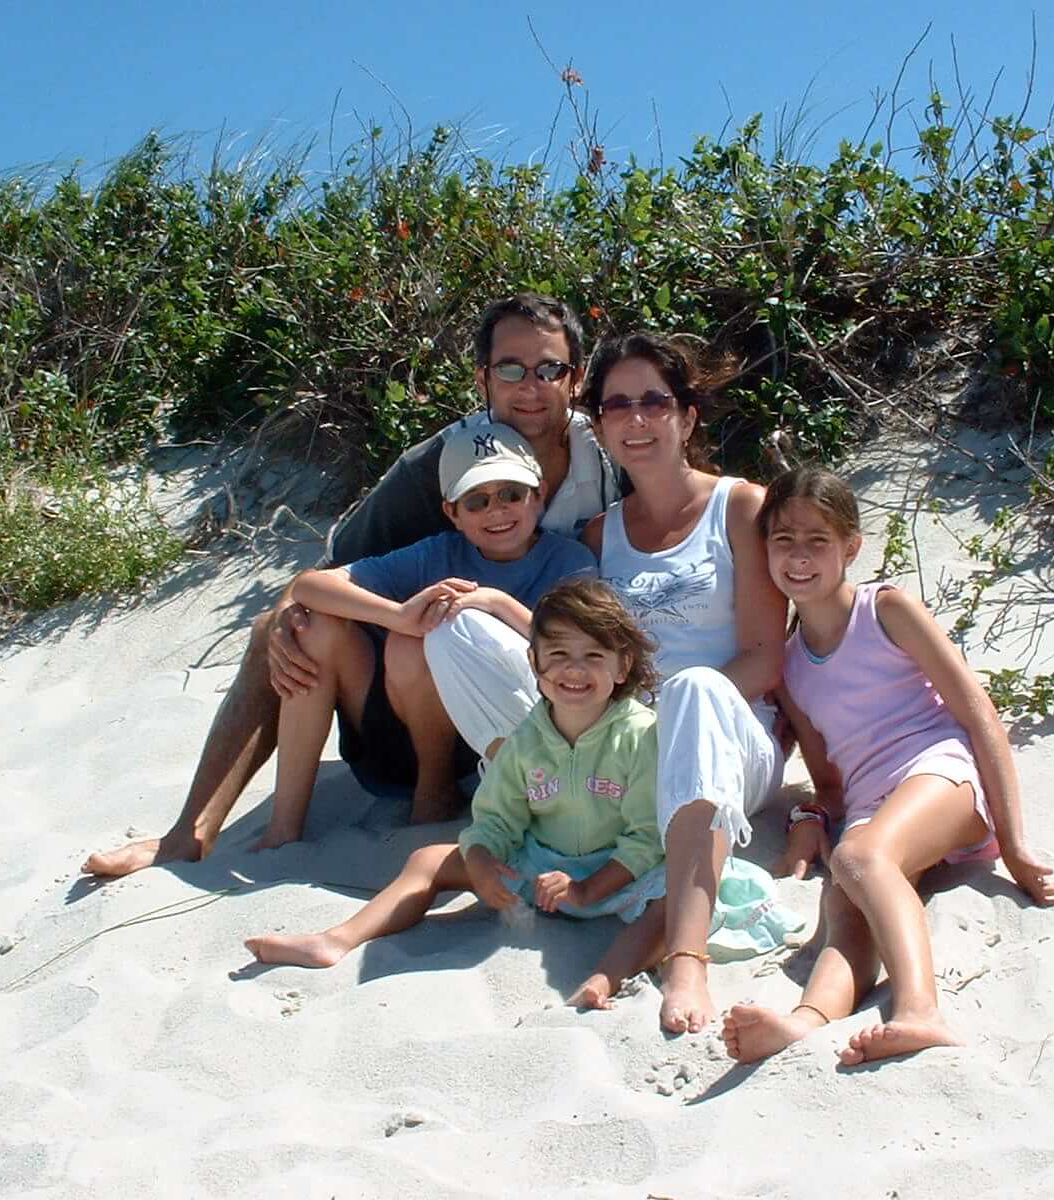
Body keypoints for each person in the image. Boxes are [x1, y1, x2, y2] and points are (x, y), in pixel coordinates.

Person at [83, 293, 617, 878]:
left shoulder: (610, 456)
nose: (530, 386)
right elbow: (330, 567)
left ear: (577, 376)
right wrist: (287, 621)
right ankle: (189, 833)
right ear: (483, 378)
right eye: (510, 369)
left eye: (549, 369)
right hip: (423, 686)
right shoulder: (439, 463)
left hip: (541, 676)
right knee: (284, 627)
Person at [417, 331, 789, 1035]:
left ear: (688, 414)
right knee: (457, 629)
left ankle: (686, 956)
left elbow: (766, 659)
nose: (637, 418)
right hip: (621, 741)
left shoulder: (741, 508)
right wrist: (498, 607)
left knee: (696, 689)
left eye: (655, 400)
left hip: (727, 740)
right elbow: (567, 648)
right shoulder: (597, 535)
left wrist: (660, 716)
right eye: (618, 405)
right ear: (601, 422)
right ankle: (543, 811)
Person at [721, 464, 1054, 1067]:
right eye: (783, 540)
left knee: (860, 859)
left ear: (850, 548)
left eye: (817, 541)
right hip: (870, 804)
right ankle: (805, 1021)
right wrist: (809, 815)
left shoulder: (885, 610)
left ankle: (920, 1011)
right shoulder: (789, 666)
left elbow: (978, 713)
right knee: (842, 902)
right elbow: (828, 782)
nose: (799, 557)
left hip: (938, 772)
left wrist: (1014, 844)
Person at [244, 579, 669, 1011]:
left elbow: (646, 838)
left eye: (593, 656)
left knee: (673, 902)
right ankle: (336, 940)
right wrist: (484, 857)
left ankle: (605, 977)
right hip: (544, 871)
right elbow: (498, 816)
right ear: (535, 664)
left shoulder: (640, 735)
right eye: (558, 655)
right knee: (427, 861)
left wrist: (588, 889)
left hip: (621, 876)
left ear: (622, 666)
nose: (574, 670)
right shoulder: (527, 738)